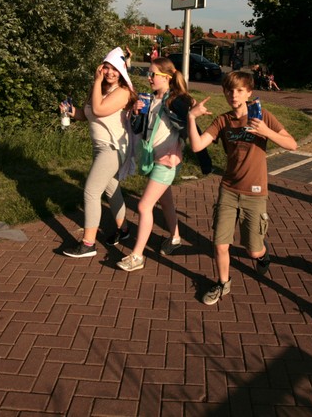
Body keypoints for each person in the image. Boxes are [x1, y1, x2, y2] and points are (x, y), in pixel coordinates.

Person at [187, 71, 298, 304]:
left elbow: (292, 144)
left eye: (239, 90)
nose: (233, 95)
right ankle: (222, 283)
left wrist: (266, 132)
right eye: (229, 90)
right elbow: (197, 146)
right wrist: (191, 118)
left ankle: (263, 254)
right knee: (220, 244)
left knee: (253, 251)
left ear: (249, 93)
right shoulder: (223, 121)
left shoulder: (262, 116)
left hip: (254, 194)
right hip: (228, 190)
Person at [117, 57, 192, 271]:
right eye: (148, 74)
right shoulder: (150, 99)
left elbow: (188, 121)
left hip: (167, 161)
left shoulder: (175, 100)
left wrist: (193, 113)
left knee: (143, 206)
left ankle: (137, 256)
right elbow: (139, 129)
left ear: (167, 77)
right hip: (153, 157)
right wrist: (136, 113)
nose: (148, 78)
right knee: (166, 202)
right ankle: (175, 238)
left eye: (152, 74)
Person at [61, 47, 136, 257]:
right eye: (107, 67)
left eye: (115, 69)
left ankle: (88, 244)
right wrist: (70, 111)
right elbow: (87, 115)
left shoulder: (122, 92)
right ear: (101, 67)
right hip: (100, 148)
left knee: (91, 192)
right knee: (112, 190)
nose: (110, 72)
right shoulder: (99, 89)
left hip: (112, 148)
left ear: (121, 71)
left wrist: (96, 81)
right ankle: (124, 230)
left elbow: (99, 110)